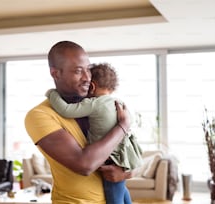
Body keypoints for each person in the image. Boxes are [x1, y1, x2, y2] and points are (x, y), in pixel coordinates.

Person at [24, 41, 132, 204]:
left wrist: (127, 173)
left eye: (88, 70)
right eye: (78, 71)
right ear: (55, 73)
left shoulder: (98, 103)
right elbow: (84, 164)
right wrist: (123, 126)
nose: (87, 78)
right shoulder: (39, 115)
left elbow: (128, 149)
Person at [45, 63, 143, 204]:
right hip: (122, 157)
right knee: (121, 191)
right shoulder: (118, 102)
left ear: (92, 87)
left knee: (114, 198)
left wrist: (51, 93)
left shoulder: (95, 103)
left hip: (109, 159)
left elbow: (66, 110)